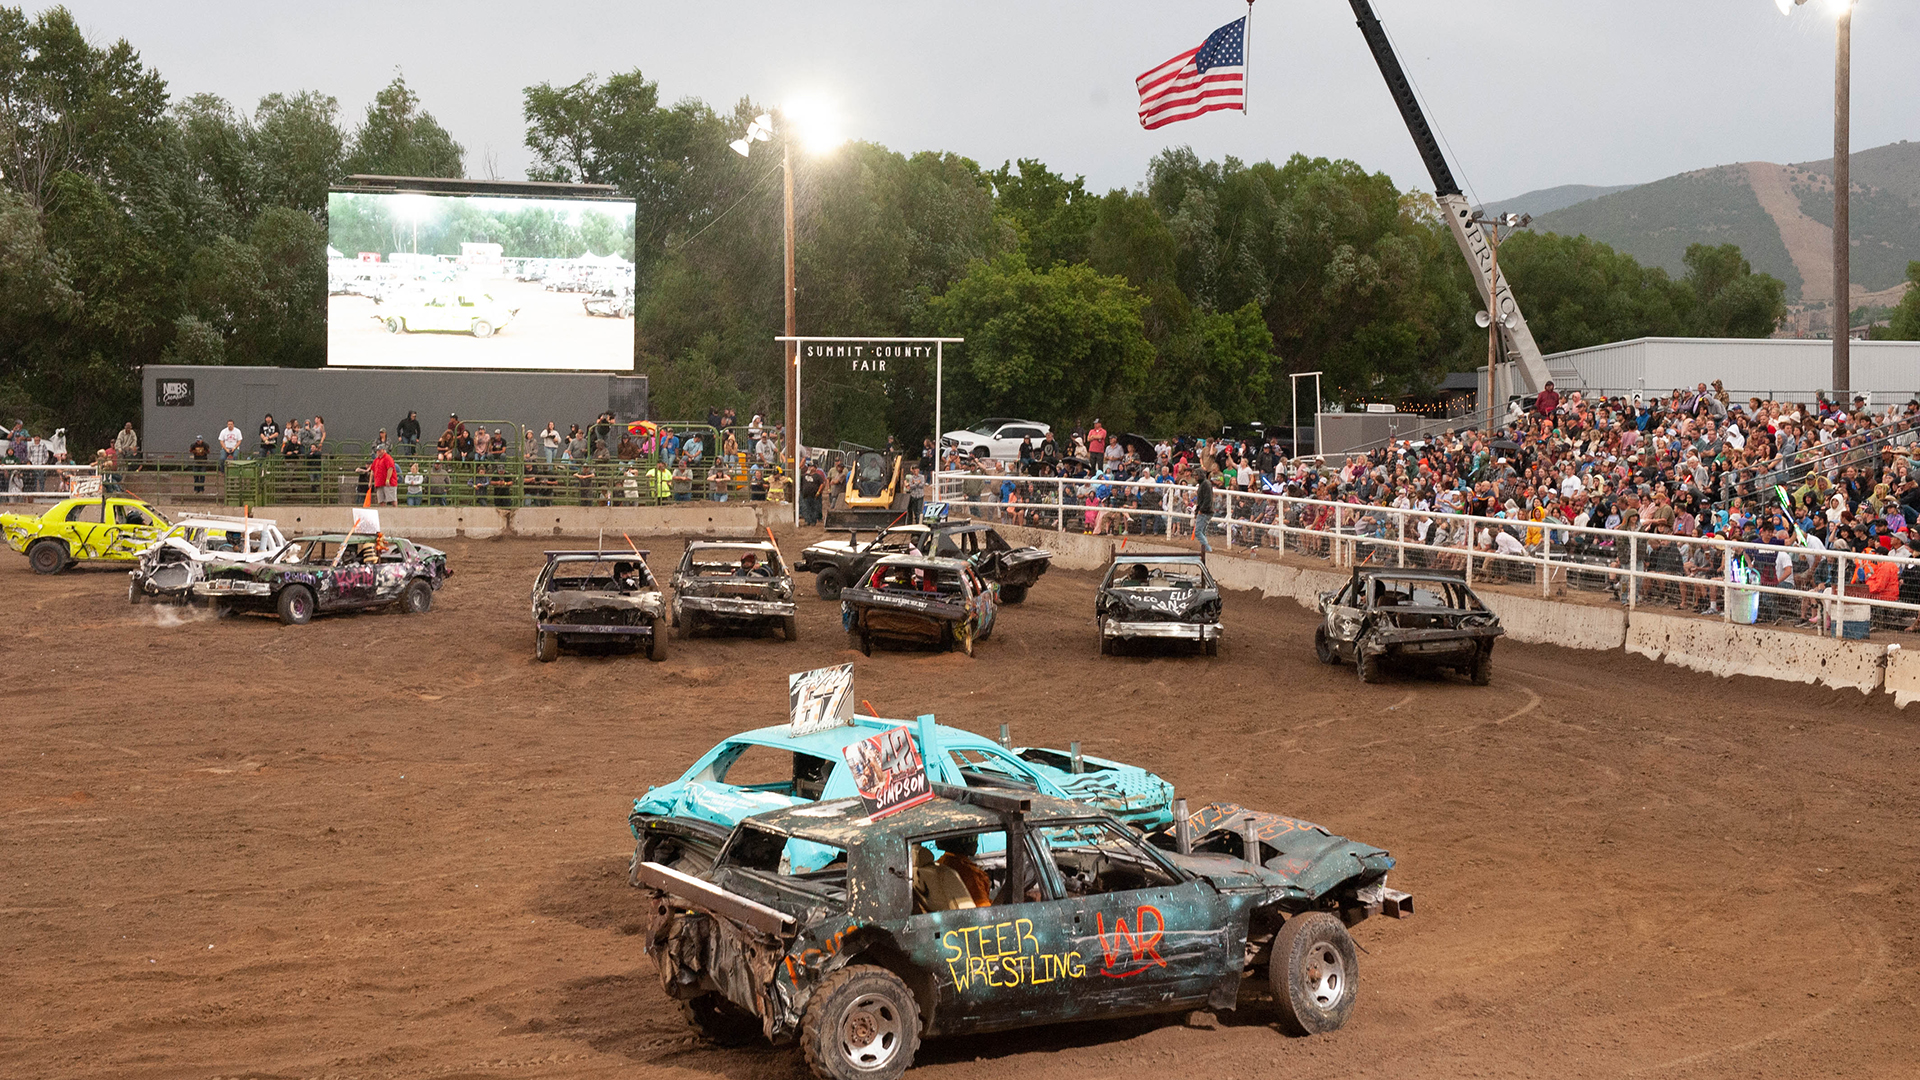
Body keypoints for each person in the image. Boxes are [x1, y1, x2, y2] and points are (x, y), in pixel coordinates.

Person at [1193, 466, 1215, 555]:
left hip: (1205, 511)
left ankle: (1207, 547)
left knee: (1198, 531)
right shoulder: (1204, 484)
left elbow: (1207, 499)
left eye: (1196, 475)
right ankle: (1205, 547)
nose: (1195, 477)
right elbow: (1202, 500)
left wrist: (1201, 510)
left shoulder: (1205, 484)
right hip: (1205, 510)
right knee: (1201, 531)